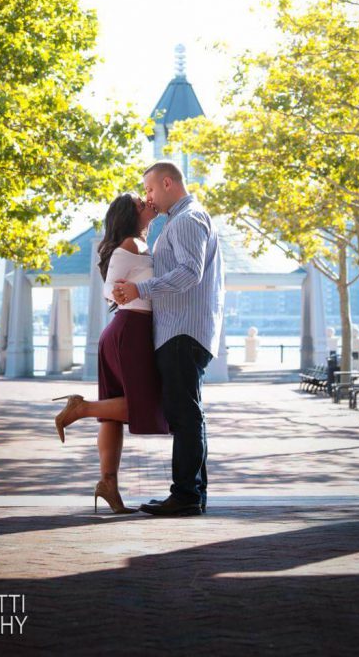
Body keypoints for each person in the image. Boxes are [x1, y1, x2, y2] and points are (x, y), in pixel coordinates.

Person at [114, 161, 225, 517]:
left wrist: (138, 289)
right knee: (187, 416)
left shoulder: (188, 219)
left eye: (148, 190)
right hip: (182, 331)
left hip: (182, 332)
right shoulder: (182, 220)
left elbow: (189, 274)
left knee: (185, 417)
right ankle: (192, 494)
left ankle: (186, 495)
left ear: (166, 183)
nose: (147, 198)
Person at [52, 192, 168, 514]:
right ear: (130, 216)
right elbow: (108, 285)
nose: (147, 203)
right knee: (146, 406)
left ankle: (109, 485)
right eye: (139, 203)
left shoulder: (142, 244)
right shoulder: (131, 244)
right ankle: (81, 408)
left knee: (113, 416)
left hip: (127, 331)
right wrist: (112, 291)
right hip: (129, 332)